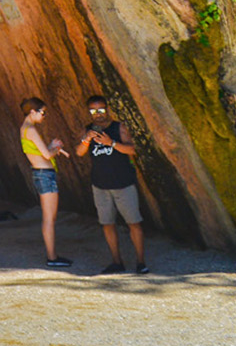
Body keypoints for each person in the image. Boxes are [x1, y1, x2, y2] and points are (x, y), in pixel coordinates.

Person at [74, 95, 148, 274]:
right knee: (107, 224)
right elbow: (79, 152)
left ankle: (140, 262)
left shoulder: (118, 127)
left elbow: (132, 150)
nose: (97, 114)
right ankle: (117, 261)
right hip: (100, 185)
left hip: (123, 183)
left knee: (134, 223)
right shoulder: (88, 130)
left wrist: (111, 143)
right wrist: (87, 139)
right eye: (93, 110)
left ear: (107, 109)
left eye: (100, 110)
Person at [20, 97, 72, 268]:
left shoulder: (26, 128)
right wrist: (56, 149)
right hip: (44, 174)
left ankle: (52, 255)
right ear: (32, 112)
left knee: (50, 217)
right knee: (49, 218)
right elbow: (47, 155)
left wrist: (51, 146)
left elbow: (41, 151)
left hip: (42, 173)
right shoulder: (31, 130)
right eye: (43, 112)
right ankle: (52, 257)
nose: (44, 116)